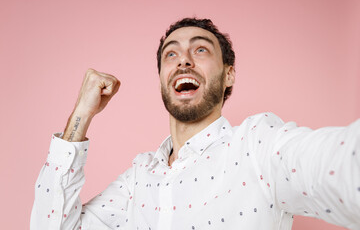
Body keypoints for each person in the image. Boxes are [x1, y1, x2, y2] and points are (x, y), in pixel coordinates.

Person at [30, 18, 360, 230]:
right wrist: (80, 116)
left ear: (228, 74)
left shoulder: (258, 146)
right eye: (170, 55)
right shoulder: (138, 179)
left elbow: (339, 165)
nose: (183, 59)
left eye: (200, 49)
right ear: (161, 78)